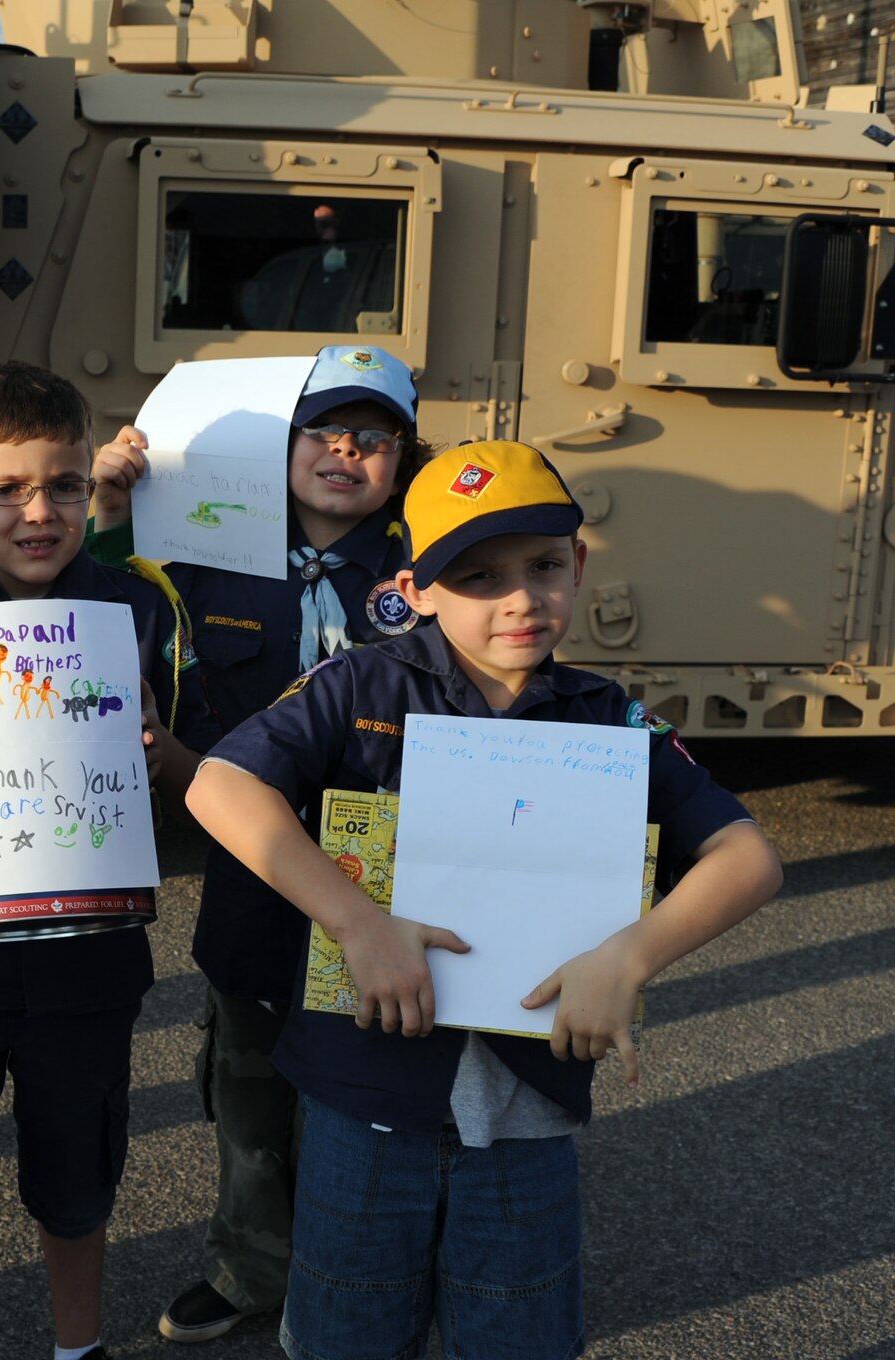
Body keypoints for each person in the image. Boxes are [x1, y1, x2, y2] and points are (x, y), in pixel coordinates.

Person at [186, 440, 783, 1360]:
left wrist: (629, 957)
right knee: (345, 1329)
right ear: (415, 587)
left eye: (544, 566)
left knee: (515, 1331)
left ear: (579, 565)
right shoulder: (360, 685)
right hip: (362, 1096)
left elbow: (747, 857)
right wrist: (356, 922)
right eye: (477, 576)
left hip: (526, 1112)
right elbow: (221, 785)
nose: (520, 598)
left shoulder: (608, 718)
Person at [86, 343, 428, 1342]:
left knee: (369, 1090)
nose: (343, 452)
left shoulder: (427, 570)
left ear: (403, 455)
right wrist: (110, 514)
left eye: (372, 436)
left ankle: (364, 1275)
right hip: (253, 876)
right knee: (246, 1084)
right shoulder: (207, 550)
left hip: (380, 878)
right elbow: (115, 609)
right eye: (321, 430)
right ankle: (251, 1270)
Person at [0, 362, 212, 1360]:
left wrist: (152, 744)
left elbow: (156, 759)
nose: (39, 511)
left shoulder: (135, 609)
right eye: (6, 489)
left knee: (78, 1164)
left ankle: (76, 1346)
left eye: (64, 485)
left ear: (88, 487)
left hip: (87, 954)